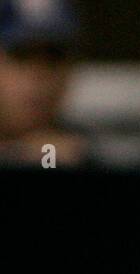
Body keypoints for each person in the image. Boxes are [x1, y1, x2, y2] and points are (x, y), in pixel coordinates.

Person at [0, 0, 86, 166]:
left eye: (53, 58)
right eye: (21, 56)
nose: (38, 74)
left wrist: (51, 162)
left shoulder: (91, 159)